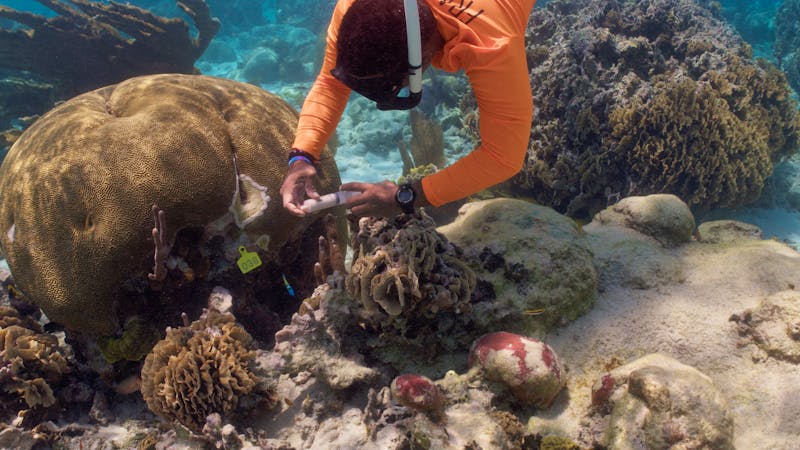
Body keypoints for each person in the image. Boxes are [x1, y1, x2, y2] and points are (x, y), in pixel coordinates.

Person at [280, 0, 535, 218]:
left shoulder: (490, 42)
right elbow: (330, 83)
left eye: (397, 88)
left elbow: (503, 157)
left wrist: (404, 197)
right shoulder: (354, 8)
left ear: (422, 61)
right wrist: (301, 156)